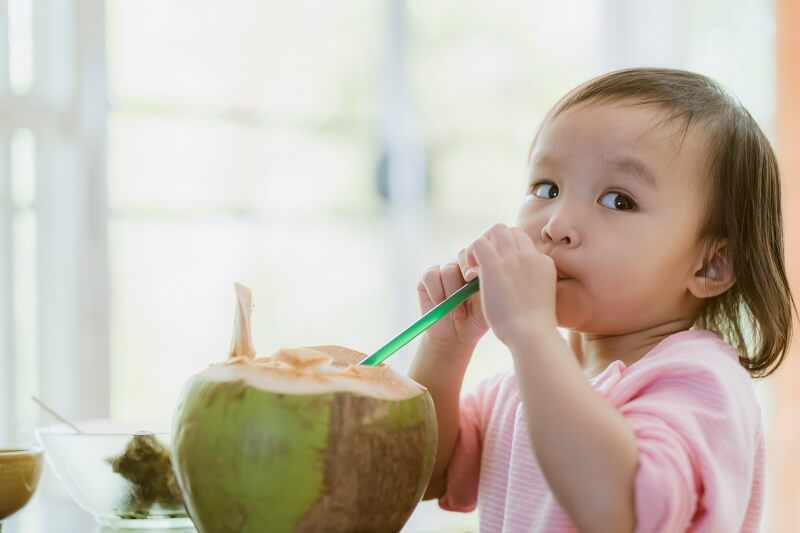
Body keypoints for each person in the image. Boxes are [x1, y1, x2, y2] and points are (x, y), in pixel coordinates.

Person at [408, 67, 797, 532]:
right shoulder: (529, 382)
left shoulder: (702, 383)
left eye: (617, 200)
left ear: (710, 265)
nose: (556, 224)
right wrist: (446, 348)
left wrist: (531, 333)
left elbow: (620, 510)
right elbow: (427, 474)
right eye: (546, 188)